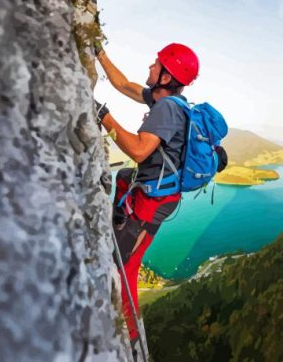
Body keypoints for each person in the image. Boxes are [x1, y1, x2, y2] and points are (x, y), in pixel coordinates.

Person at [93, 42, 199, 347]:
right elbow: (122, 84)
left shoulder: (166, 108)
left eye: (156, 64)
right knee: (125, 177)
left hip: (153, 204)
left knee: (124, 267)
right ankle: (118, 224)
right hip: (154, 194)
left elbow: (139, 151)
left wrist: (104, 117)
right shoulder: (162, 100)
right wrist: (99, 53)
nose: (150, 67)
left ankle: (132, 341)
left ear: (166, 77)